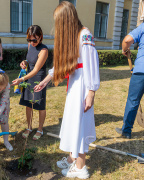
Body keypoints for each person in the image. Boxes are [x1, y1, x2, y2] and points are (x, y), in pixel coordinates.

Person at [34, 2, 100, 178]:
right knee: (73, 122)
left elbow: (91, 64)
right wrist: (45, 81)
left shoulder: (84, 35)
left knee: (80, 124)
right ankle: (72, 159)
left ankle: (80, 168)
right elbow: (63, 65)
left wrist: (91, 91)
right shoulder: (73, 36)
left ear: (66, 20)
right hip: (75, 84)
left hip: (83, 86)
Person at [115, 21, 144, 144]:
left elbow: (127, 40)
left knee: (133, 100)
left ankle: (126, 131)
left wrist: (124, 49)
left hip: (142, 68)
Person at [11, 25, 48, 140]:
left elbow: (36, 69)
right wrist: (24, 62)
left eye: (34, 39)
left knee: (40, 105)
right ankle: (29, 127)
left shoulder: (44, 50)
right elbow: (30, 60)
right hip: (28, 77)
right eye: (29, 39)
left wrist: (21, 79)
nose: (32, 42)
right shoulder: (30, 45)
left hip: (38, 79)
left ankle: (40, 129)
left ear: (40, 37)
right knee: (28, 104)